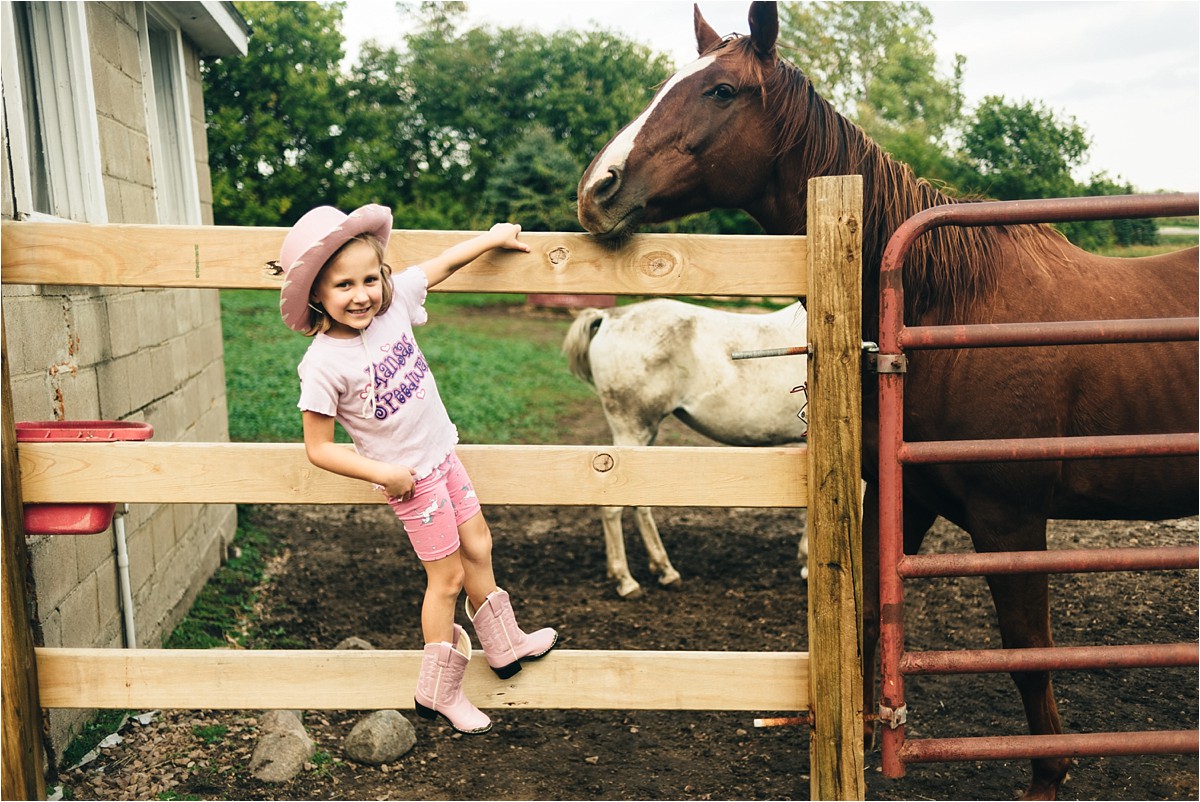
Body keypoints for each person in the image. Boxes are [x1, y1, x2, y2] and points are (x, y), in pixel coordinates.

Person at [273, 204, 558, 735]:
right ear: (316, 293)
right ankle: (439, 691)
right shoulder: (321, 365)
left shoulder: (394, 303)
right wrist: (382, 472)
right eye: (343, 286)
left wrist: (491, 237)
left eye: (368, 280)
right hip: (411, 481)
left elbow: (442, 264)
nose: (361, 296)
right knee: (446, 578)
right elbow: (318, 448)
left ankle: (504, 643)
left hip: (443, 455)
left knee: (479, 544)